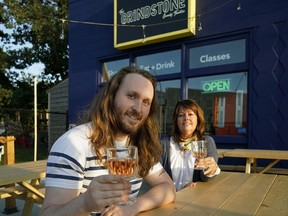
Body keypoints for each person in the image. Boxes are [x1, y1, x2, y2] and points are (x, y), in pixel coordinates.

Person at [41, 66, 176, 216]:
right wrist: (85, 203)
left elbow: (168, 188)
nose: (138, 109)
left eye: (146, 102)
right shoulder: (74, 144)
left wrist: (134, 207)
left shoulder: (140, 145)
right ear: (111, 96)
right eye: (131, 96)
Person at [160, 99, 220, 191]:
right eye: (181, 115)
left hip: (194, 198)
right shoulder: (164, 143)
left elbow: (205, 177)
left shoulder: (206, 142)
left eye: (190, 114)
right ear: (176, 121)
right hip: (168, 198)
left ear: (198, 119)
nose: (186, 118)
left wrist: (211, 170)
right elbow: (155, 175)